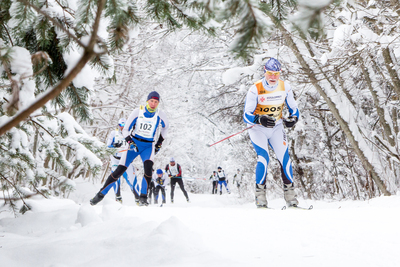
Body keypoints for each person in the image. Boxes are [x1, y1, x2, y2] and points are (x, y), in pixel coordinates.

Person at [90, 91, 169, 206]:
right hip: (134, 144)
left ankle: (143, 198)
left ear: (158, 103)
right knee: (119, 171)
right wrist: (129, 141)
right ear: (147, 101)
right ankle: (100, 195)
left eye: (156, 102)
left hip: (148, 146)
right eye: (151, 101)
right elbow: (126, 129)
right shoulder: (138, 112)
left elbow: (165, 128)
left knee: (148, 169)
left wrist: (159, 143)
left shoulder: (160, 114)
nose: (153, 104)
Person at [243, 57, 300, 208]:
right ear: (265, 72)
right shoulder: (255, 88)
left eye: (276, 73)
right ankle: (260, 197)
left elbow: (294, 108)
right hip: (258, 129)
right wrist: (258, 119)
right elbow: (246, 114)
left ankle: (291, 198)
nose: (273, 77)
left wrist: (294, 119)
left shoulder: (285, 86)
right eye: (270, 73)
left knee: (285, 158)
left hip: (276, 127)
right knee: (264, 158)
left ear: (280, 73)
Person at [103, 118, 140, 204]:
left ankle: (138, 198)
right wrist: (114, 145)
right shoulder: (113, 133)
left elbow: (136, 146)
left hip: (126, 160)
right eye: (121, 125)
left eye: (124, 125)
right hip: (116, 160)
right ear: (118, 125)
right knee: (115, 178)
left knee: (131, 180)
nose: (122, 127)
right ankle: (118, 197)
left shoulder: (130, 134)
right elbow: (107, 147)